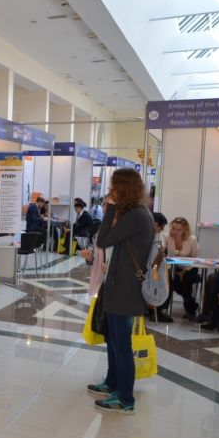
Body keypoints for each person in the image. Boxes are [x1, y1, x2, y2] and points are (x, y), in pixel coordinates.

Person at [88, 168, 153, 415]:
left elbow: (103, 239)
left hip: (125, 289)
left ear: (123, 189)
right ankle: (113, 384)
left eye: (113, 186)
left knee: (121, 345)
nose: (110, 190)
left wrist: (111, 209)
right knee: (113, 340)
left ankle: (125, 399)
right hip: (118, 285)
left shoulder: (136, 215)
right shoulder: (137, 213)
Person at [157, 217, 200, 322]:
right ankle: (191, 307)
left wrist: (184, 271)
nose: (175, 232)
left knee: (186, 279)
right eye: (173, 228)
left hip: (190, 268)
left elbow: (196, 258)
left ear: (184, 230)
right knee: (171, 283)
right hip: (174, 268)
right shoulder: (167, 237)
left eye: (178, 230)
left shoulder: (192, 239)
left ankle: (190, 309)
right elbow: (162, 249)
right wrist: (161, 249)